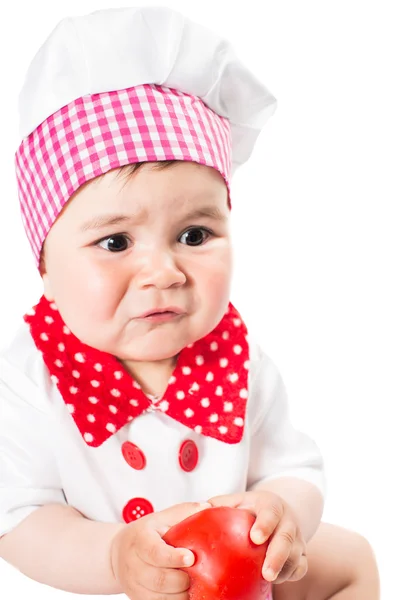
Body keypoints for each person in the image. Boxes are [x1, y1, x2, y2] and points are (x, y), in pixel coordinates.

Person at [0, 6, 379, 600]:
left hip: (238, 577)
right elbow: (22, 520)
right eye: (115, 241)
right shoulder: (28, 381)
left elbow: (294, 467)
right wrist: (115, 557)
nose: (163, 271)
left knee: (353, 557)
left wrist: (281, 512)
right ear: (45, 268)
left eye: (194, 235)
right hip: (115, 586)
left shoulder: (238, 359)